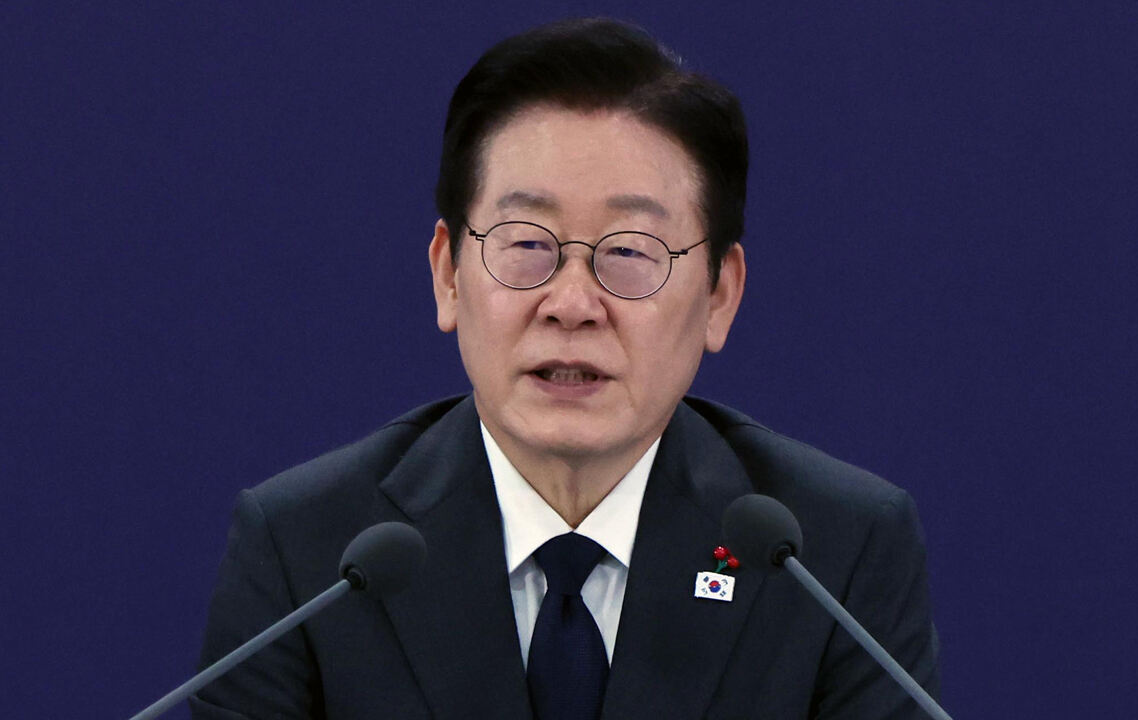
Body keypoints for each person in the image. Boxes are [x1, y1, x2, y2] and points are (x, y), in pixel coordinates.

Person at [192, 17, 940, 720]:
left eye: (630, 252)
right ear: (448, 275)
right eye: (526, 244)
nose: (573, 305)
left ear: (719, 295)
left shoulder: (833, 553)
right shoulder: (308, 554)